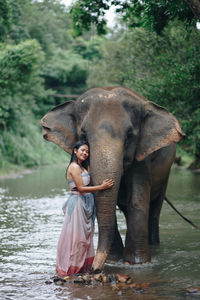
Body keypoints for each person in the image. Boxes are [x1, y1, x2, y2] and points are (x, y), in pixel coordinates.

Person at [56, 140, 114, 276]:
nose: (85, 153)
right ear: (75, 151)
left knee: (86, 237)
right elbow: (81, 188)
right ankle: (71, 268)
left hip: (87, 203)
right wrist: (102, 187)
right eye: (82, 150)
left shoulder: (83, 167)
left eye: (87, 151)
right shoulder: (74, 167)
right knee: (77, 238)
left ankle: (82, 267)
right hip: (77, 203)